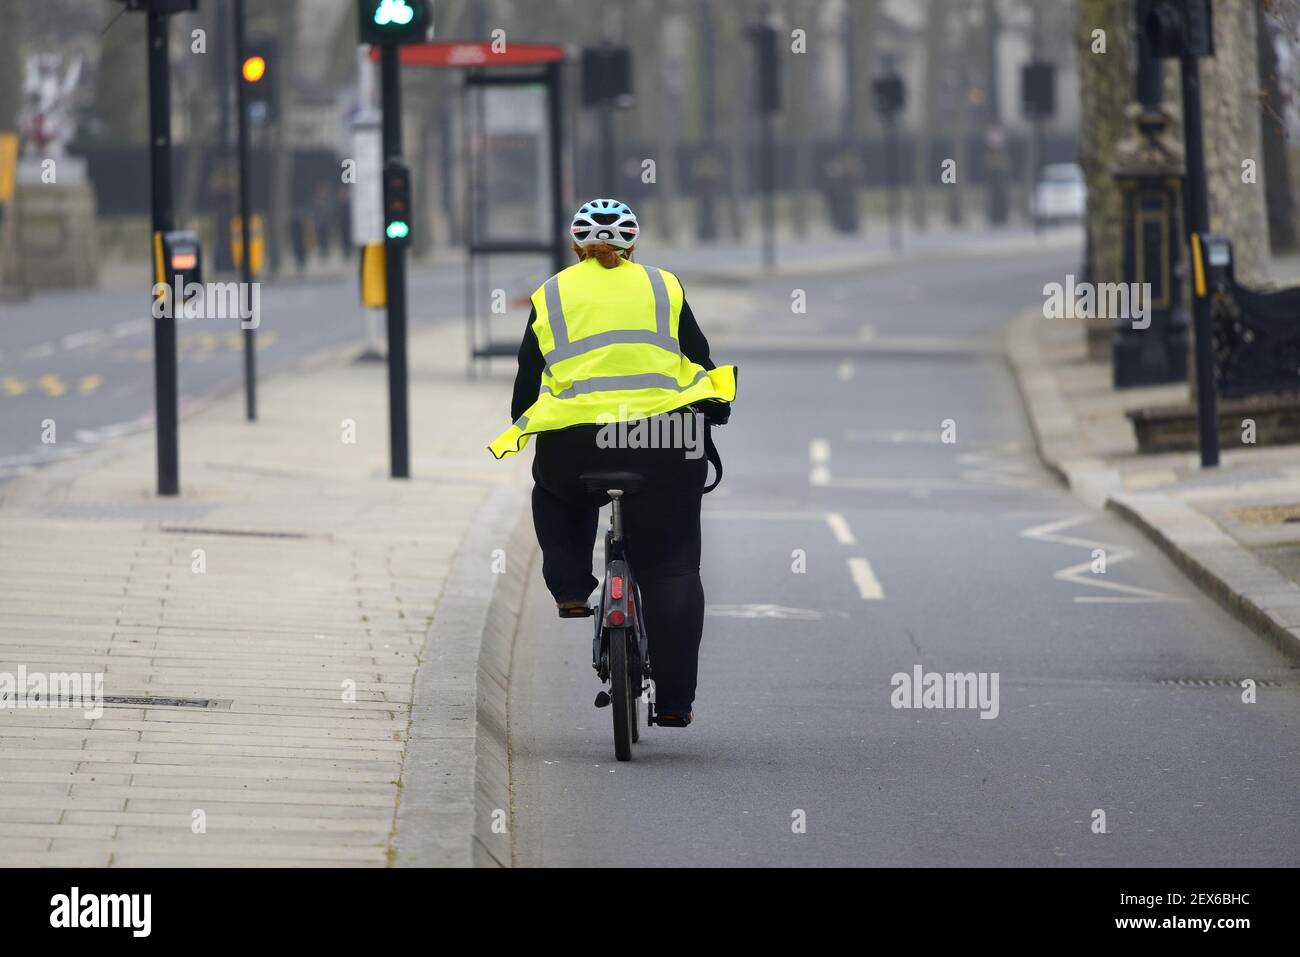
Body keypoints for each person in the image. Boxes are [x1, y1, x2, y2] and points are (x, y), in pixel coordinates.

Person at [488, 199, 737, 727]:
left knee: (557, 495)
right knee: (672, 568)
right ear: (634, 244)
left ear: (575, 245)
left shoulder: (551, 294)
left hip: (577, 441)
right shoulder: (663, 286)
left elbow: (527, 379)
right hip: (665, 440)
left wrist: (525, 426)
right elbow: (698, 356)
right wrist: (717, 406)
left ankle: (572, 586)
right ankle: (673, 703)